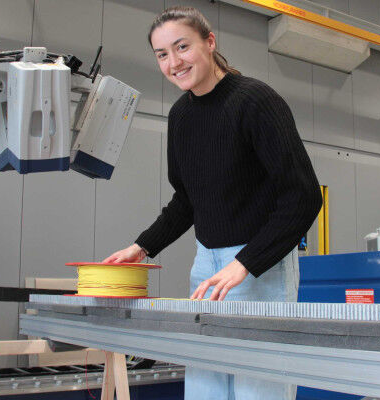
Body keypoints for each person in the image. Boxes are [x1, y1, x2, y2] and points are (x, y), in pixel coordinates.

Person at [103, 6, 322, 400]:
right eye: (162, 54)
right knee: (206, 388)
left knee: (259, 389)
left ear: (210, 42)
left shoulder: (256, 101)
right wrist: (141, 247)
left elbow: (302, 196)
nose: (174, 62)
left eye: (182, 46)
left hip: (259, 265)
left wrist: (246, 263)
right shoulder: (181, 116)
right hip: (207, 265)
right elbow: (187, 200)